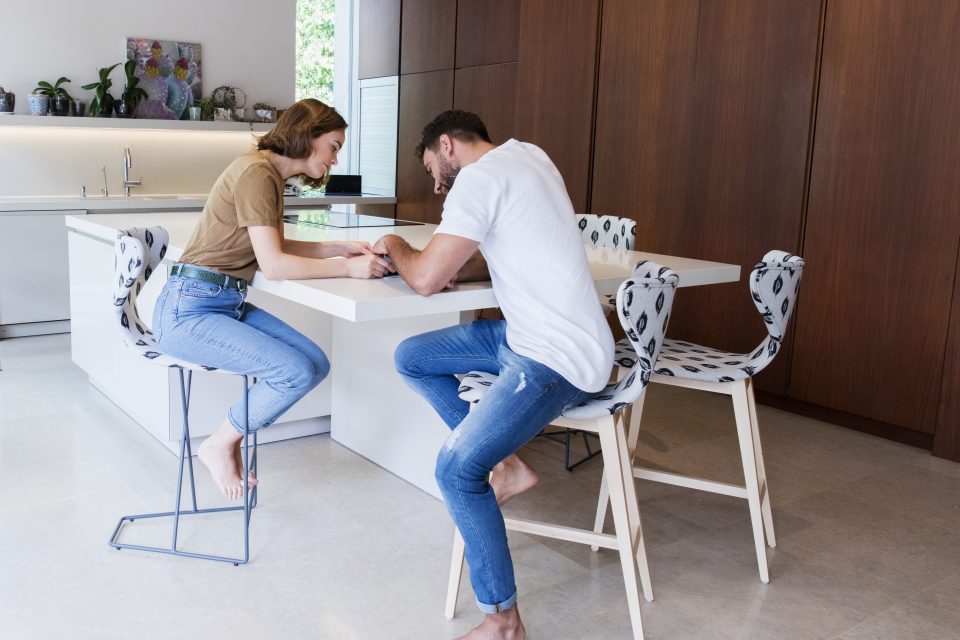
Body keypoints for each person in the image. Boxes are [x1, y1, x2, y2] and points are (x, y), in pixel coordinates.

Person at [373, 110, 614, 640]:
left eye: (432, 169)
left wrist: (393, 244)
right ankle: (506, 466)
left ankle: (503, 622)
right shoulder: (530, 156)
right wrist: (449, 266)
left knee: (456, 470)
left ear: (446, 145)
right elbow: (502, 250)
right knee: (412, 356)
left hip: (557, 356)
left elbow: (425, 279)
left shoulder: (477, 180)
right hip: (530, 334)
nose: (436, 185)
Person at [153, 98, 393, 500]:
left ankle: (229, 438)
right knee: (294, 372)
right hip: (188, 311)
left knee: (314, 363)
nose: (335, 159)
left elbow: (275, 246)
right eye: (333, 146)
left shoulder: (267, 173)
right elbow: (275, 265)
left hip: (219, 302)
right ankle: (218, 443)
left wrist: (340, 248)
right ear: (308, 136)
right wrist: (348, 268)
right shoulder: (257, 174)